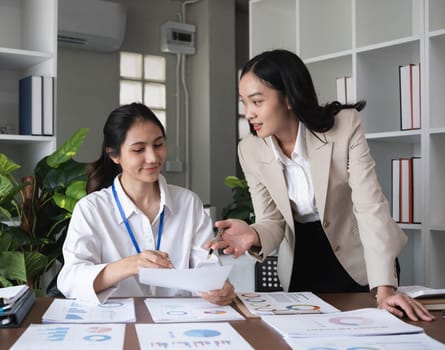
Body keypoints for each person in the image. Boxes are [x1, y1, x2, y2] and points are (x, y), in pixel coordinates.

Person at [207, 49, 434, 321]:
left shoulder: (344, 127)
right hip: (302, 260)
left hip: (359, 258)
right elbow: (272, 220)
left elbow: (369, 206)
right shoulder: (250, 150)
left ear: (289, 97)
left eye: (256, 102)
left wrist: (384, 291)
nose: (249, 114)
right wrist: (253, 234)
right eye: (244, 103)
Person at [58, 102, 234, 306]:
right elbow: (70, 279)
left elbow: (208, 268)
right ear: (114, 155)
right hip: (117, 325)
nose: (152, 158)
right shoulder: (91, 209)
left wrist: (220, 288)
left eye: (158, 145)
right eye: (139, 149)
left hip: (179, 324)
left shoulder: (188, 203)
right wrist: (128, 265)